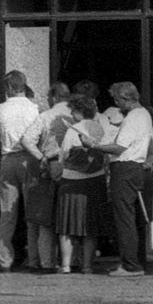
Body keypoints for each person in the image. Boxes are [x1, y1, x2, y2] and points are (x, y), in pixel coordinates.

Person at [77, 81, 153, 278]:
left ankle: (130, 265)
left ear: (126, 98)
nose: (116, 104)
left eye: (117, 100)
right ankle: (137, 260)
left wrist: (93, 144)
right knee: (135, 217)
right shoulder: (144, 114)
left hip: (125, 167)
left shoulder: (132, 118)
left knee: (124, 217)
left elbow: (119, 147)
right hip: (136, 167)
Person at [18, 82, 72, 275]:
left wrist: (41, 157)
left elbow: (26, 139)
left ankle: (47, 262)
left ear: (54, 97)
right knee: (69, 218)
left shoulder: (45, 116)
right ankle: (72, 261)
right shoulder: (75, 115)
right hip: (73, 168)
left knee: (45, 218)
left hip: (50, 165)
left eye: (49, 97)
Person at [0, 70, 43, 272]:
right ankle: (34, 258)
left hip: (7, 159)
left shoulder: (0, 109)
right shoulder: (34, 109)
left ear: (7, 88)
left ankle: (5, 260)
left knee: (7, 213)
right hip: (29, 159)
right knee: (32, 211)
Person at [54, 95, 106, 274]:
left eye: (73, 110)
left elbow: (63, 156)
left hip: (72, 181)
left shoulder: (73, 130)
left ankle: (66, 265)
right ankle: (87, 265)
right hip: (95, 180)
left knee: (67, 226)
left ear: (80, 111)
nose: (71, 113)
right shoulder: (100, 128)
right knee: (90, 226)